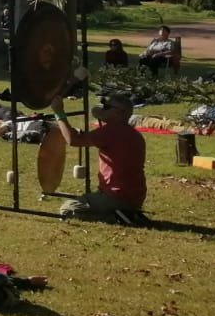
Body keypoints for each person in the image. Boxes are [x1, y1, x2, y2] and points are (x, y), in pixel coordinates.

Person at [49, 91, 147, 222]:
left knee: (67, 209)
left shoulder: (111, 131)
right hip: (135, 196)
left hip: (116, 196)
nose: (103, 109)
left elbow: (73, 140)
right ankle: (125, 213)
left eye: (107, 107)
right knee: (86, 200)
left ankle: (117, 218)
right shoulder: (134, 134)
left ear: (120, 112)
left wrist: (58, 112)